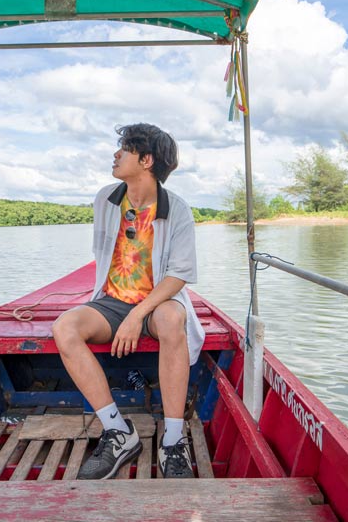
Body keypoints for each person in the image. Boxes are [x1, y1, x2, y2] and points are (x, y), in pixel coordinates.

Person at [52, 123, 203, 480]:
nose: (116, 154)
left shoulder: (177, 209)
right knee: (64, 328)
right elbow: (104, 254)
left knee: (172, 320)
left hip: (156, 302)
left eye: (125, 149)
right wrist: (124, 309)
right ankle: (118, 431)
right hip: (111, 300)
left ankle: (173, 440)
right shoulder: (106, 199)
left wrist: (138, 314)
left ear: (146, 160)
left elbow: (179, 276)